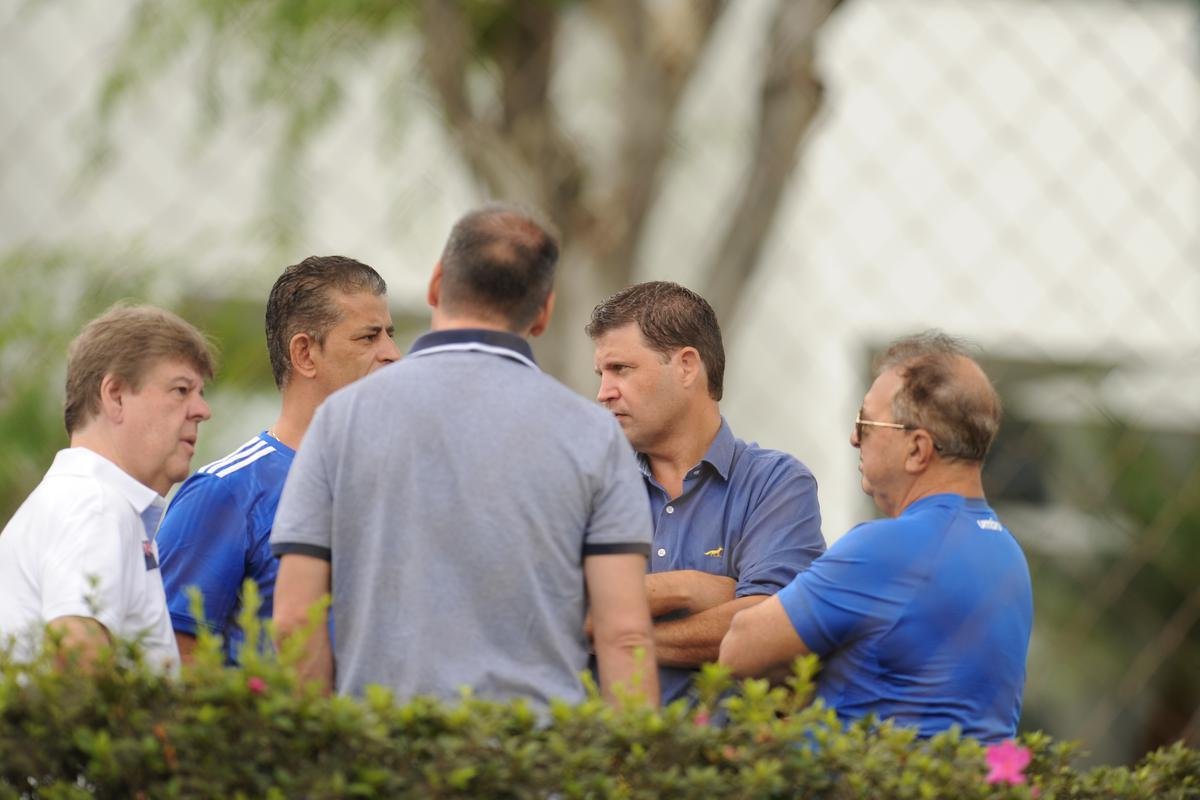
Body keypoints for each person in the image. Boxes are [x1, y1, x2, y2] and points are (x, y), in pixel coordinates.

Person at [271, 205, 658, 708]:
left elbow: (294, 620)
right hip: (533, 765)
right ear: (544, 311)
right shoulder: (593, 436)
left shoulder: (340, 420)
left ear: (436, 285)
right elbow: (624, 634)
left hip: (379, 757)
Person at [719, 331, 1033, 742]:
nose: (854, 438)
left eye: (865, 422)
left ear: (918, 449)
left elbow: (738, 650)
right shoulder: (1007, 553)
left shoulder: (889, 548)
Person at [587, 281, 825, 705]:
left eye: (621, 369)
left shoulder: (776, 484)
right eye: (601, 374)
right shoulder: (587, 484)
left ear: (686, 366)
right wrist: (690, 588)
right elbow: (547, 611)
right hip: (597, 759)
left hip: (724, 763)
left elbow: (774, 634)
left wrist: (612, 632)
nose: (603, 391)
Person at [156, 256, 400, 663]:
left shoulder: (400, 478)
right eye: (368, 337)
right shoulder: (226, 490)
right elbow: (176, 658)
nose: (392, 353)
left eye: (390, 335)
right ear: (305, 354)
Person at [0, 305, 215, 670]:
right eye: (181, 390)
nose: (202, 410)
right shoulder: (94, 504)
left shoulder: (84, 498)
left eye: (199, 392)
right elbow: (77, 658)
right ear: (114, 395)